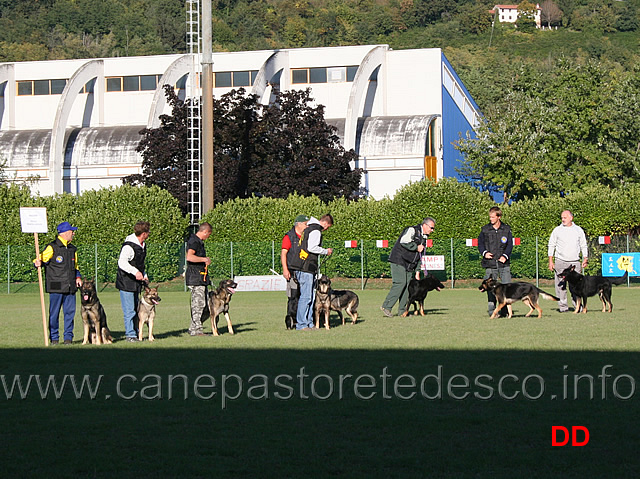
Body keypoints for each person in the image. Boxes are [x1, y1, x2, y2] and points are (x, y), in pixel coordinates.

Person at [33, 221, 83, 345]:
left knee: (70, 313)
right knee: (54, 314)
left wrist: (78, 277)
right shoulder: (52, 247)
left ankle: (68, 338)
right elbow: (41, 259)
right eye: (72, 231)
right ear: (65, 233)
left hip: (70, 286)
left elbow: (76, 267)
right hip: (56, 285)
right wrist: (37, 262)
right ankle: (54, 338)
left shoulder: (72, 249)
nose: (73, 233)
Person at [381, 217, 435, 317]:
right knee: (400, 283)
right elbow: (404, 242)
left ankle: (403, 311)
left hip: (410, 265)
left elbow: (420, 255)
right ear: (425, 225)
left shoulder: (424, 238)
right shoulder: (412, 230)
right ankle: (386, 306)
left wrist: (418, 271)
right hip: (399, 260)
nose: (432, 230)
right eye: (431, 228)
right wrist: (416, 247)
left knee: (407, 286)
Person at [288, 214, 334, 330]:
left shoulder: (309, 228)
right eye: (328, 227)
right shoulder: (316, 231)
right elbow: (311, 247)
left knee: (311, 297)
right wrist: (325, 251)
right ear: (325, 223)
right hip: (305, 267)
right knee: (306, 297)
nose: (326, 229)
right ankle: (302, 324)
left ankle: (309, 323)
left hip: (304, 266)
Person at [548, 210, 588, 312]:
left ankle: (577, 306)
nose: (563, 219)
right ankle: (563, 307)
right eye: (562, 217)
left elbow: (583, 244)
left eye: (565, 217)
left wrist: (585, 258)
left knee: (576, 287)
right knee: (560, 287)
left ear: (571, 218)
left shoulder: (578, 230)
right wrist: (551, 261)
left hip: (574, 262)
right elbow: (551, 245)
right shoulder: (557, 230)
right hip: (560, 261)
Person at [116, 220, 150, 342]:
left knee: (137, 309)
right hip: (126, 282)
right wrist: (135, 272)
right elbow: (122, 262)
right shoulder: (128, 246)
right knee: (129, 310)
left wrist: (144, 274)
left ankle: (136, 333)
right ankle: (130, 335)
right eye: (148, 232)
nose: (149, 234)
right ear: (144, 233)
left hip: (136, 283)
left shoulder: (142, 245)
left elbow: (140, 264)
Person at [478, 206, 513, 317]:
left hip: (504, 264)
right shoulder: (485, 229)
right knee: (490, 289)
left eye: (493, 217)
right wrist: (484, 253)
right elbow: (480, 244)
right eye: (490, 217)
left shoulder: (506, 229)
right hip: (490, 264)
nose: (491, 219)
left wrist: (505, 256)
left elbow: (510, 245)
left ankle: (505, 312)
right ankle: (492, 311)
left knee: (506, 289)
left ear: (499, 217)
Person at [186, 222, 213, 336]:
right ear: (205, 231)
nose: (208, 237)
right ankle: (196, 330)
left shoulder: (199, 242)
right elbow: (189, 257)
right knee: (198, 305)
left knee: (207, 306)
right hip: (195, 278)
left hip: (201, 278)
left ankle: (194, 327)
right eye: (209, 234)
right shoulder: (194, 241)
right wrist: (204, 259)